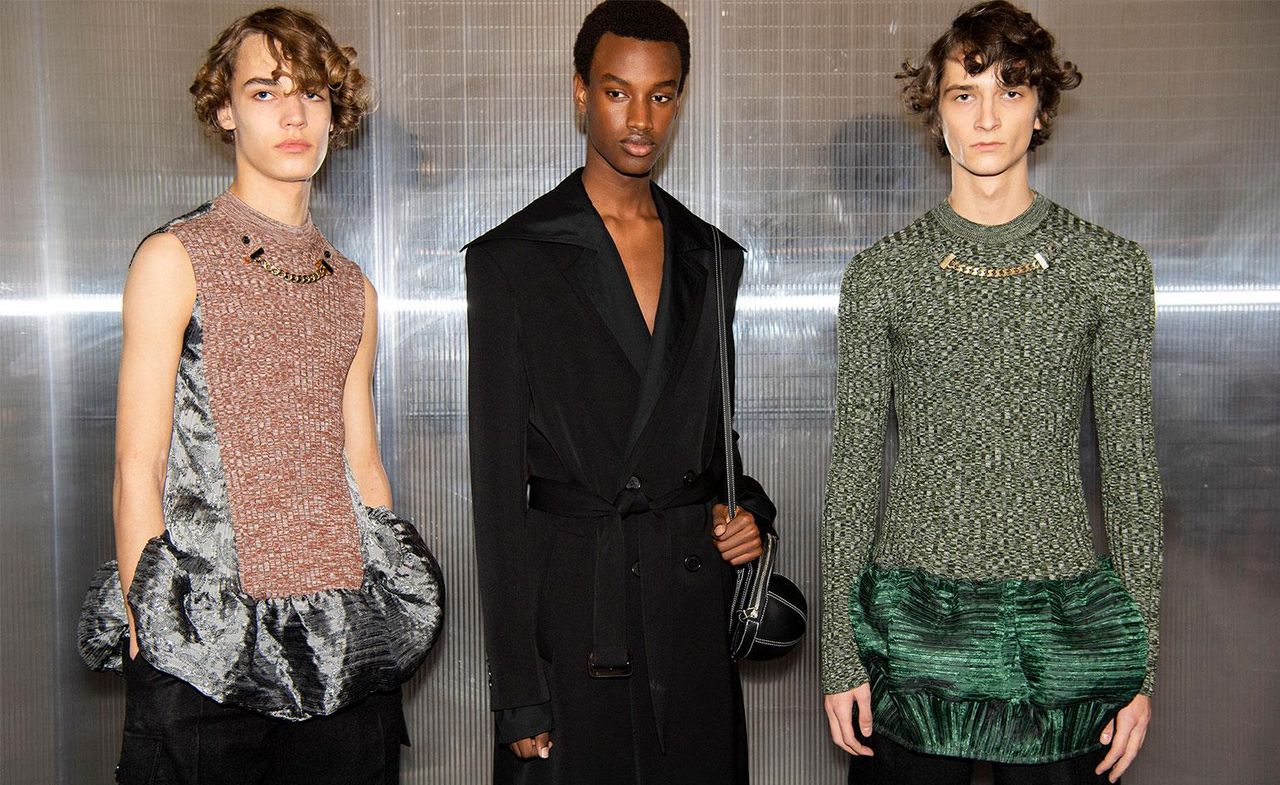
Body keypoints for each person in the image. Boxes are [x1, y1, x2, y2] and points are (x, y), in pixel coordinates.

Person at [76, 8, 443, 784]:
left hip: (343, 648)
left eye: (312, 94)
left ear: (335, 116)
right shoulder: (174, 258)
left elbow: (363, 465)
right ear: (224, 109)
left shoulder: (354, 289)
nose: (292, 114)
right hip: (202, 647)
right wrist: (154, 633)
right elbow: (135, 464)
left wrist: (386, 617)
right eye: (266, 90)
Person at [820, 2, 1162, 783]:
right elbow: (851, 476)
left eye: (1010, 90)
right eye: (963, 92)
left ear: (1042, 105)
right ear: (934, 110)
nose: (986, 117)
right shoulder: (882, 275)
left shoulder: (1107, 269)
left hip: (1065, 644)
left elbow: (1133, 476)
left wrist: (1138, 666)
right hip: (911, 642)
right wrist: (841, 655)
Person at [464, 2, 776, 783]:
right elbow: (497, 493)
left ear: (680, 99)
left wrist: (750, 514)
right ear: (580, 93)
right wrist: (518, 692)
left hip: (688, 602)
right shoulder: (514, 259)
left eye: (661, 94)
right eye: (616, 91)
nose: (640, 117)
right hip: (573, 611)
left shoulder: (713, 256)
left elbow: (715, 443)